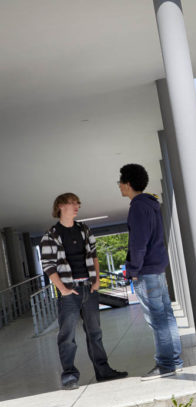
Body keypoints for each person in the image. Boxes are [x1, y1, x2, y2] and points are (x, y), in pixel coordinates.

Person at [40, 193, 127, 390]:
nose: (77, 206)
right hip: (69, 293)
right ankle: (69, 376)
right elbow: (48, 265)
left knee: (95, 333)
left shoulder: (84, 229)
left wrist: (96, 282)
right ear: (61, 206)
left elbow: (94, 256)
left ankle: (103, 372)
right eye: (72, 203)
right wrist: (62, 289)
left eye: (78, 203)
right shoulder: (50, 235)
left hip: (89, 288)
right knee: (67, 336)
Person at [118, 164, 183, 380]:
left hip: (145, 271)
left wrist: (133, 270)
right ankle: (174, 361)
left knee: (157, 319)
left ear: (128, 184)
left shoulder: (137, 207)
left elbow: (138, 243)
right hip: (156, 268)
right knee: (166, 316)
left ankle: (165, 365)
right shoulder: (151, 204)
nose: (118, 185)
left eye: (120, 182)